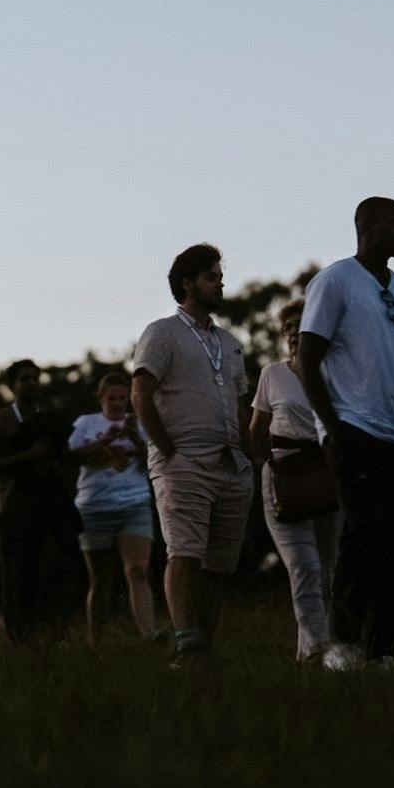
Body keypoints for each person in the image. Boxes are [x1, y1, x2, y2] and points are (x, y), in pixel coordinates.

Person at [299, 198, 394, 673]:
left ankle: (384, 652)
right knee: (364, 536)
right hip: (354, 431)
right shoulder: (335, 281)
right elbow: (306, 360)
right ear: (367, 227)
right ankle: (343, 643)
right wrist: (332, 429)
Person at [132, 243, 254, 666]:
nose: (220, 283)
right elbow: (140, 392)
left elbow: (241, 406)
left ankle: (204, 648)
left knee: (219, 565)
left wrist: (249, 455)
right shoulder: (162, 332)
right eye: (211, 276)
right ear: (187, 283)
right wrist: (167, 449)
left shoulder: (230, 342)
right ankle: (186, 642)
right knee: (184, 552)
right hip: (184, 459)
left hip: (231, 463)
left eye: (220, 276)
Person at [248, 299, 343, 661]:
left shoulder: (334, 373)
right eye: (286, 327)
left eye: (299, 326)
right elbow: (256, 431)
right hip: (286, 477)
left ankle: (322, 647)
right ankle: (318, 649)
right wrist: (265, 466)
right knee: (304, 564)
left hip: (326, 474)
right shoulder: (272, 375)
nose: (291, 333)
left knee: (329, 567)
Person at [0, 360, 79, 643]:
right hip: (12, 507)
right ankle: (19, 636)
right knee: (17, 572)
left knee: (57, 563)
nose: (31, 383)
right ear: (12, 386)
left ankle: (51, 629)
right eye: (24, 379)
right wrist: (29, 456)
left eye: (35, 378)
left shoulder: (49, 419)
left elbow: (69, 454)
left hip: (50, 502)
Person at [66, 371, 160, 644]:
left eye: (123, 397)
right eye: (112, 398)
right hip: (94, 507)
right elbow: (74, 455)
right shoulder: (86, 423)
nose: (118, 403)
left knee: (137, 570)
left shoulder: (140, 423)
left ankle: (150, 634)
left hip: (134, 503)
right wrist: (105, 440)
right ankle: (96, 639)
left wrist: (135, 436)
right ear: (101, 398)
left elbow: (155, 457)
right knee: (100, 578)